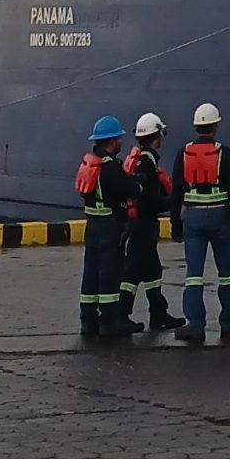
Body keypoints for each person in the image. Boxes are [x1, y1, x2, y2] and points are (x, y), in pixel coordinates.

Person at [174, 102, 230, 341]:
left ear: (196, 126)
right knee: (227, 272)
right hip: (220, 216)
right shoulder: (223, 153)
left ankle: (195, 325)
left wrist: (176, 222)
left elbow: (176, 191)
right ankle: (227, 323)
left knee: (194, 274)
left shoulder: (183, 153)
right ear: (215, 126)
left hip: (193, 217)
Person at [120, 112, 184, 332]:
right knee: (132, 271)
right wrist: (173, 202)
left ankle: (158, 313)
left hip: (138, 224)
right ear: (156, 136)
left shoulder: (140, 159)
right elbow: (148, 200)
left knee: (152, 270)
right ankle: (122, 314)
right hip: (143, 225)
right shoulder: (147, 164)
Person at [76, 116, 139, 338]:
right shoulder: (110, 167)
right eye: (118, 138)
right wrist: (137, 184)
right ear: (112, 141)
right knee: (109, 275)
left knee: (90, 274)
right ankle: (108, 323)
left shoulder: (89, 163)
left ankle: (88, 321)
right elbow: (129, 189)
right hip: (110, 227)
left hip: (91, 226)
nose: (121, 142)